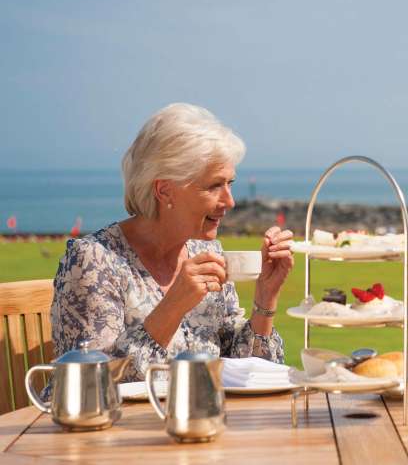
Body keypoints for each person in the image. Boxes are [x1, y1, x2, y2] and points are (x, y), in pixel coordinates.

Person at [51, 103, 294, 383]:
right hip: (120, 426)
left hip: (196, 420)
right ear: (165, 190)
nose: (230, 201)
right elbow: (89, 385)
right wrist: (173, 305)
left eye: (230, 184)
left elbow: (246, 371)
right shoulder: (94, 262)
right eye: (214, 186)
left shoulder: (207, 252)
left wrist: (265, 297)